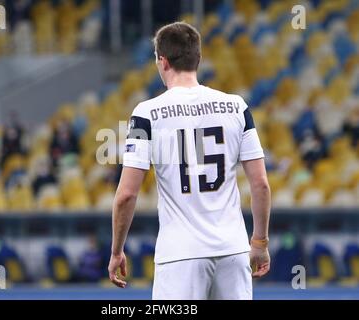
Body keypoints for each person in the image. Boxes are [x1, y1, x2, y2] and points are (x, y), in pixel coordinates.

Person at [108, 22, 271, 300]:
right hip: (232, 250)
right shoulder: (236, 107)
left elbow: (126, 195)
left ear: (162, 61)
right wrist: (259, 242)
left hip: (180, 255)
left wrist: (116, 251)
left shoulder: (146, 114)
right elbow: (261, 185)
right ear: (199, 58)